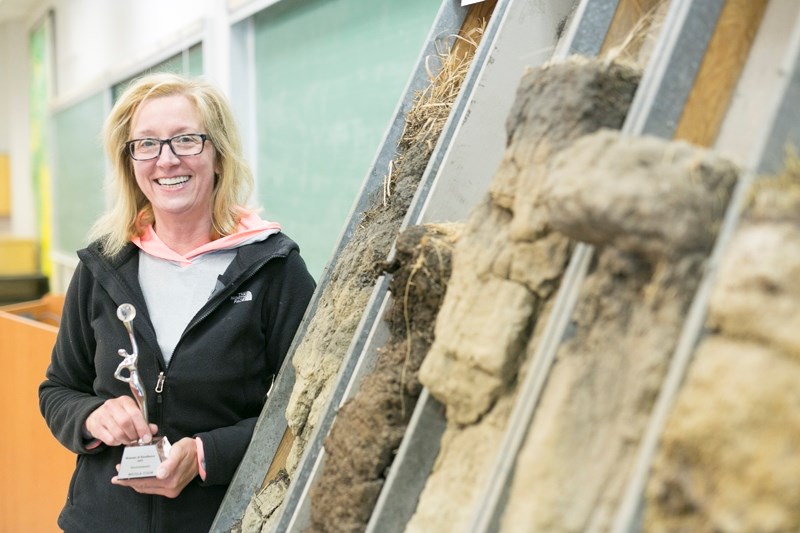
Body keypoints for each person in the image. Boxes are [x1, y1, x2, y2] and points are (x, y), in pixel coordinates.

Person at [39, 72, 316, 532]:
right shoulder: (102, 266)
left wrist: (208, 454)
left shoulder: (273, 267)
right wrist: (92, 415)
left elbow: (308, 408)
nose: (166, 160)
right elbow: (58, 390)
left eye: (186, 140)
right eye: (145, 144)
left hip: (224, 520)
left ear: (218, 153)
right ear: (130, 162)